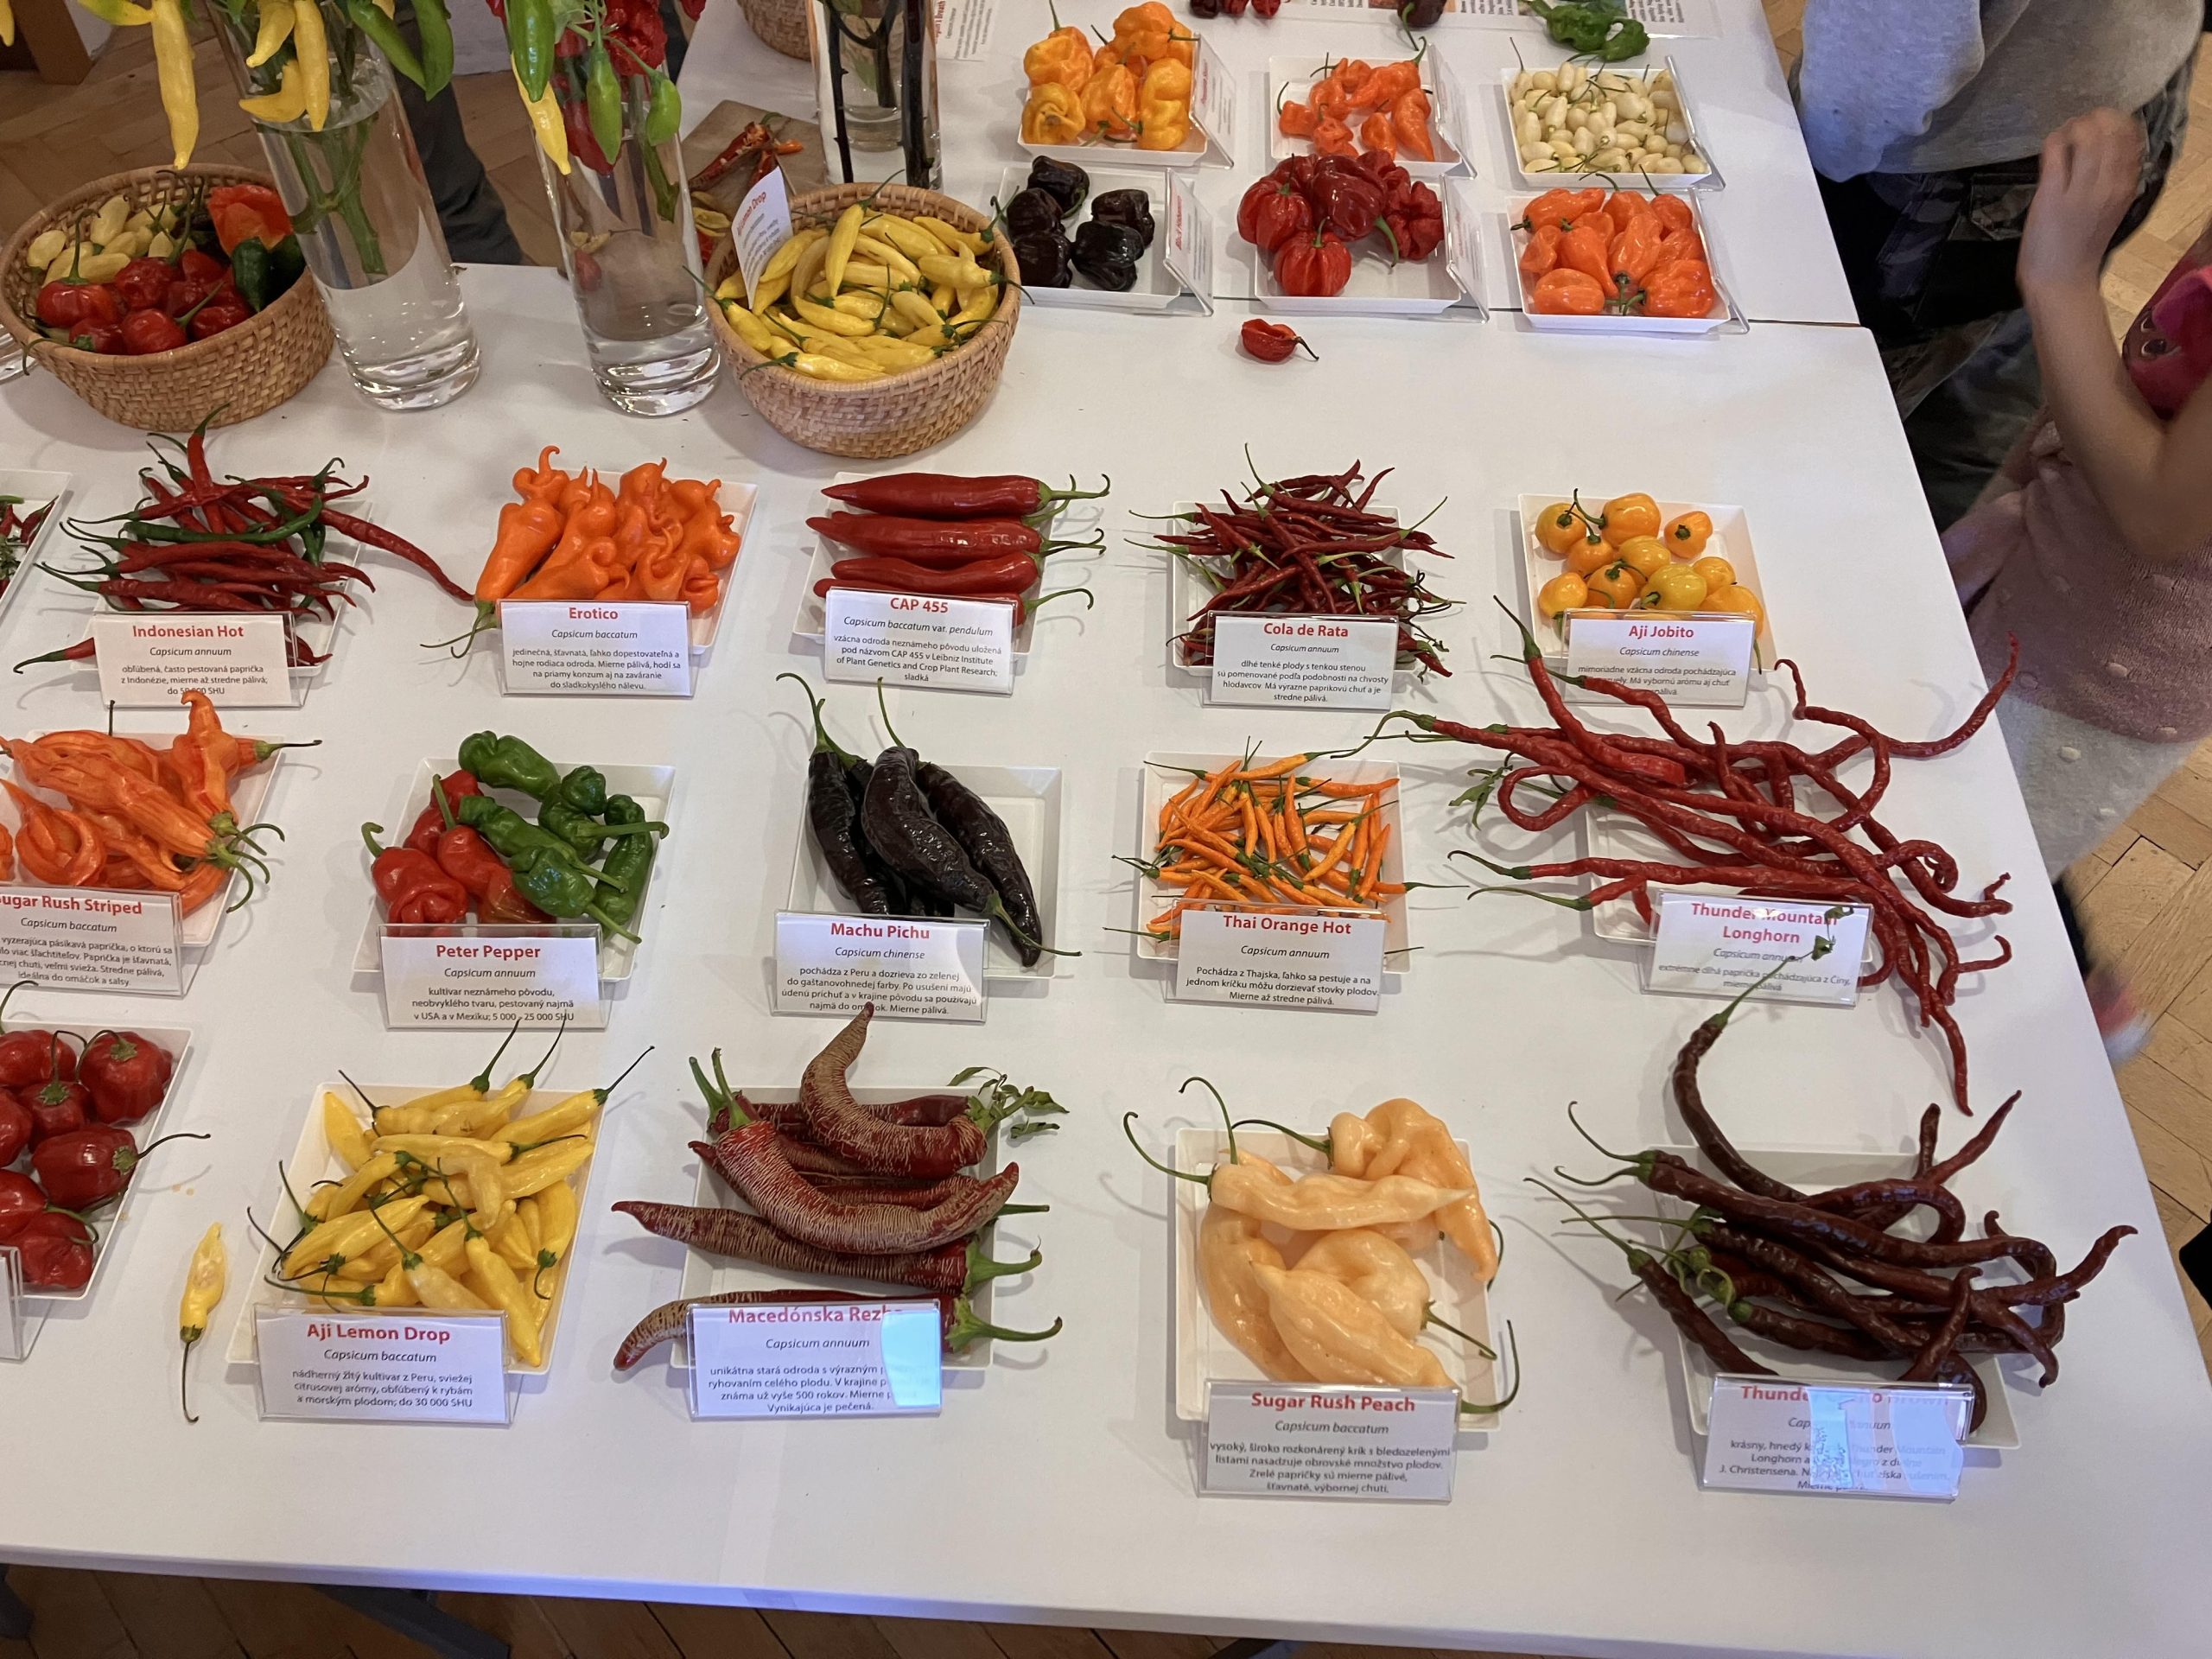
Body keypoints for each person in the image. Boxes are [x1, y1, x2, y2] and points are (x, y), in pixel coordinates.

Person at [1942, 108, 2212, 1060]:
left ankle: (2050, 1013)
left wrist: (2060, 278)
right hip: (2055, 580)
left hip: (2103, 673)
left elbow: (2162, 515)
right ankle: (2070, 979)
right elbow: (2153, 372)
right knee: (1974, 810)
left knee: (1973, 847)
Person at [1796, 1, 2199, 529]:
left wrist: (1810, 154)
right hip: (2131, 91)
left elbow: (1871, 91)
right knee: (1985, 401)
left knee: (1843, 415)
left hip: (1963, 158)